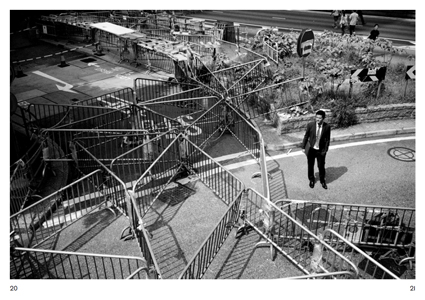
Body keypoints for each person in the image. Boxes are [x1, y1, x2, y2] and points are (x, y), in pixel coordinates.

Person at [301, 110, 331, 189]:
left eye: (319, 118)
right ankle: (311, 179)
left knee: (321, 166)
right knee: (310, 165)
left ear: (323, 118)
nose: (317, 119)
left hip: (320, 150)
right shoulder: (310, 125)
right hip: (311, 149)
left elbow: (327, 140)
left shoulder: (327, 127)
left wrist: (325, 150)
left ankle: (322, 180)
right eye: (316, 117)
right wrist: (303, 147)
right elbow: (306, 136)